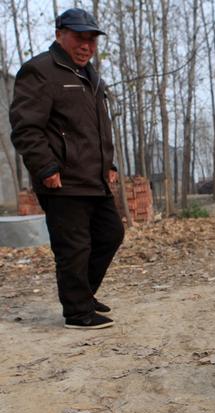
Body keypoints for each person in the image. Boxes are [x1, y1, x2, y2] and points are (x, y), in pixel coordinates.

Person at [10, 8, 124, 329]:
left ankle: (82, 295)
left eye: (91, 39)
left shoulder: (91, 76)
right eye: (79, 37)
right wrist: (45, 166)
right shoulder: (41, 71)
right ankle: (77, 312)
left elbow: (96, 129)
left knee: (111, 234)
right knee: (73, 248)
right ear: (60, 34)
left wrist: (110, 164)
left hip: (93, 178)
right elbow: (25, 127)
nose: (86, 45)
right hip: (61, 179)